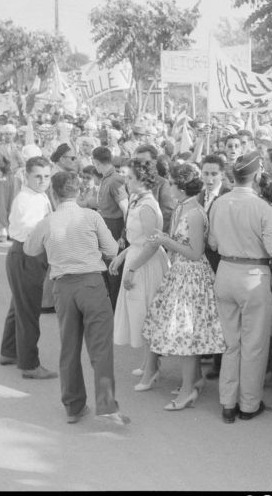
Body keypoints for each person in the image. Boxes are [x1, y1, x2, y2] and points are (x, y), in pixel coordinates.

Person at [23, 171, 130, 426]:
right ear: (79, 192)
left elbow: (30, 249)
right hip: (92, 283)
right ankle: (106, 404)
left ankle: (73, 406)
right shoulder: (91, 216)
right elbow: (112, 250)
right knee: (100, 347)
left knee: (69, 347)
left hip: (63, 287)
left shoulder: (48, 221)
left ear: (54, 193)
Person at [143, 164, 226, 410]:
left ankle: (188, 390)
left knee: (187, 335)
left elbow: (196, 252)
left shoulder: (194, 213)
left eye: (170, 183)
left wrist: (166, 240)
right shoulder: (184, 207)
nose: (167, 187)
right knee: (184, 333)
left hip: (192, 277)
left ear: (180, 188)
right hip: (180, 274)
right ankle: (194, 381)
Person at [209, 151, 272, 423]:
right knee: (253, 344)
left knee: (231, 343)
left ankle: (228, 402)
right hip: (253, 275)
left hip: (226, 271)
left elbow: (214, 243)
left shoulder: (219, 203)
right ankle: (248, 404)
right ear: (255, 175)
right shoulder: (263, 208)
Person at [110, 160, 170, 383]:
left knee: (146, 314)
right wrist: (122, 256)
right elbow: (137, 241)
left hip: (146, 264)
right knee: (140, 314)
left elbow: (152, 243)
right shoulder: (137, 200)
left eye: (130, 178)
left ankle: (151, 370)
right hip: (136, 258)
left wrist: (133, 268)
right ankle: (148, 364)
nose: (126, 181)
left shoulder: (147, 206)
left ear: (144, 180)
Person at [0, 156, 57, 379]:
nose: (43, 180)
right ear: (27, 176)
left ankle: (9, 351)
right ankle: (30, 365)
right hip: (28, 255)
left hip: (22, 254)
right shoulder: (30, 200)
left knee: (19, 306)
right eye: (38, 176)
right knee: (29, 311)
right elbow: (34, 233)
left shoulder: (35, 195)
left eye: (46, 176)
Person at [196, 154, 231, 380]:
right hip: (202, 260)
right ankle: (208, 351)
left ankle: (221, 362)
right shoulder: (200, 196)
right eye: (206, 173)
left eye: (213, 174)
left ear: (222, 174)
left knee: (221, 312)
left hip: (221, 260)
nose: (209, 178)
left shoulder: (228, 196)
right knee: (206, 308)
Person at [92, 146, 129, 308]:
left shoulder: (115, 180)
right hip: (107, 228)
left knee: (113, 273)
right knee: (106, 271)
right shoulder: (107, 178)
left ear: (96, 162)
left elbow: (126, 209)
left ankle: (115, 311)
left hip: (115, 228)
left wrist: (123, 234)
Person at [134, 144, 176, 233]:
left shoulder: (162, 184)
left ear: (154, 162)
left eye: (145, 161)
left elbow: (167, 216)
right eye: (137, 161)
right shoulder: (133, 182)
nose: (141, 165)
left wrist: (156, 239)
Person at [0, 123, 25, 242]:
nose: (8, 136)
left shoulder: (17, 147)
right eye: (6, 134)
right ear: (3, 135)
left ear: (14, 135)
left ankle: (11, 229)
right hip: (0, 176)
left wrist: (16, 170)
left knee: (12, 202)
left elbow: (23, 164)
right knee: (1, 202)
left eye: (10, 134)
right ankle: (2, 229)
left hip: (13, 177)